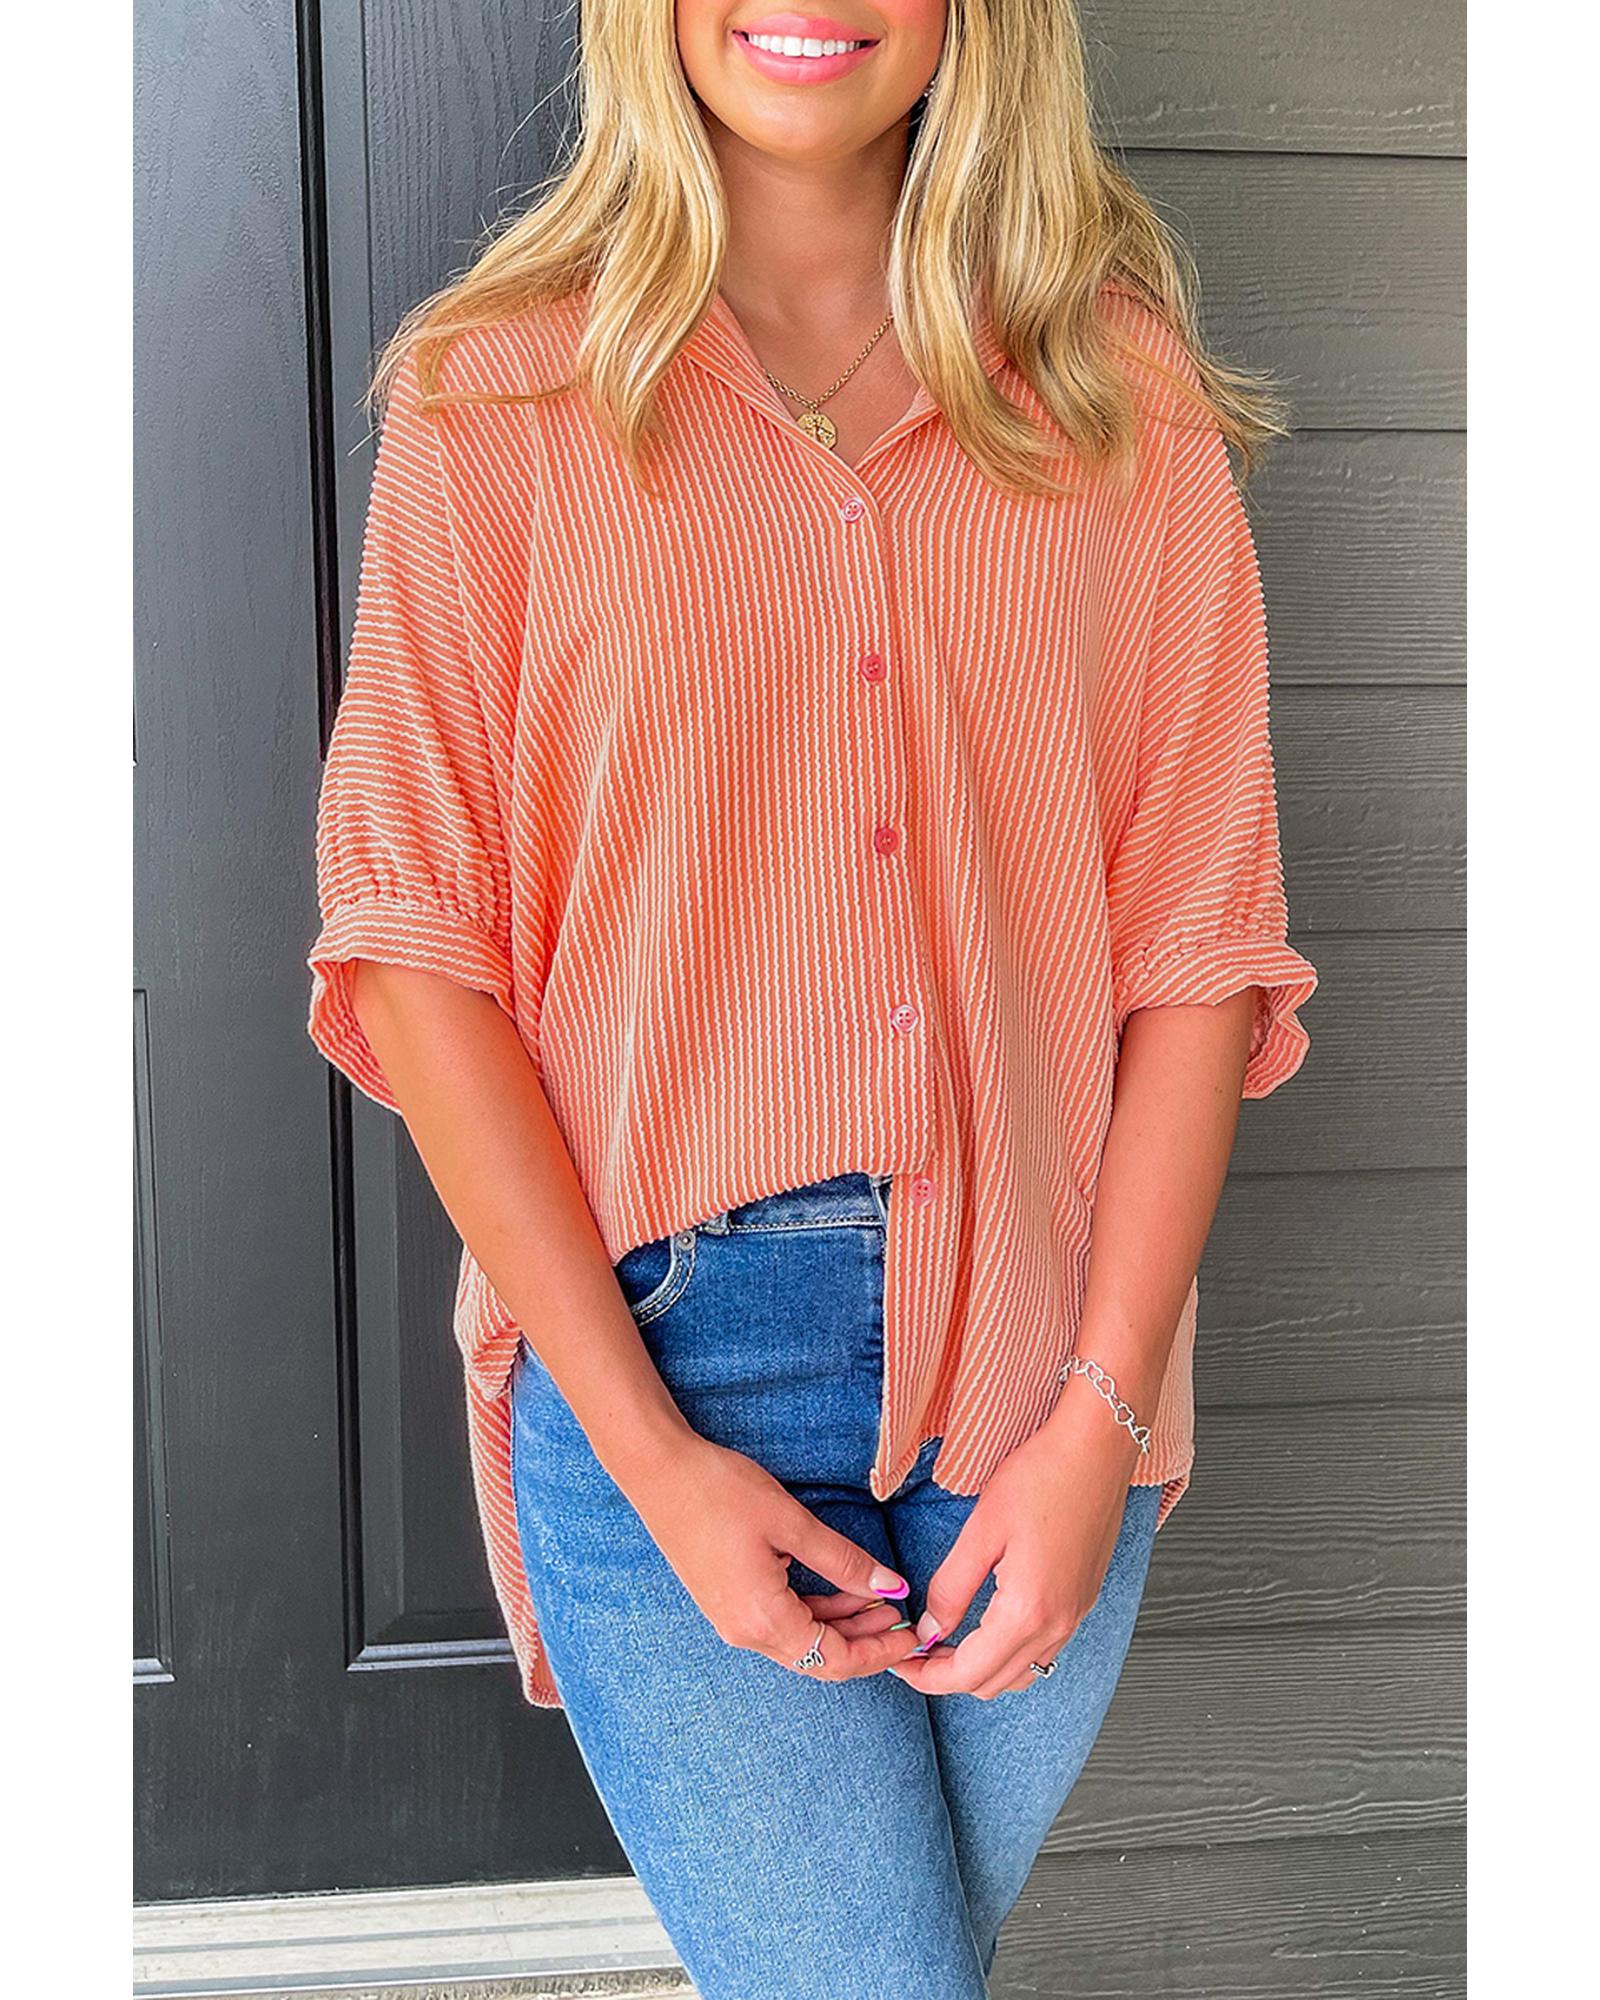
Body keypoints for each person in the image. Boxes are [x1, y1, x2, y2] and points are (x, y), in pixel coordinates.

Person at [305, 3, 1318, 1992]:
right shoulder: (494, 396)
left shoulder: (1122, 400)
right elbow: (418, 953)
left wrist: (1099, 1416)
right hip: (667, 1359)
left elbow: (1198, 948)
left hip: (1045, 1360)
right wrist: (651, 1458)